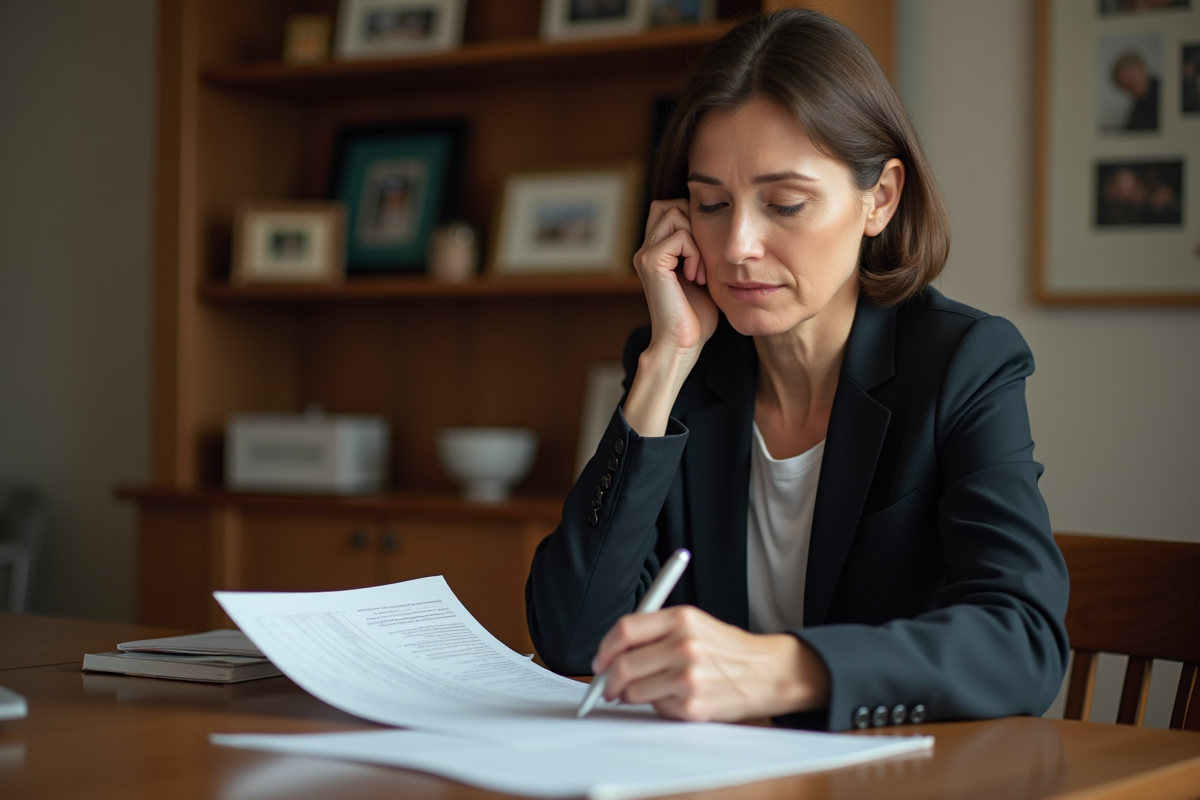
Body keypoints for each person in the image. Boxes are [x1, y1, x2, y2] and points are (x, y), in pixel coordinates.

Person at [525, 9, 1069, 732]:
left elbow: (1023, 644)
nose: (739, 244)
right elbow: (571, 638)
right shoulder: (680, 370)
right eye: (711, 203)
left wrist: (780, 669)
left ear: (879, 198)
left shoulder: (962, 365)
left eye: (785, 203)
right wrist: (665, 363)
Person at [1110, 50, 1159, 131]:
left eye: (1131, 82)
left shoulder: (1163, 94)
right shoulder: (1137, 107)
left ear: (1141, 67)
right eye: (1125, 87)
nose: (1130, 91)